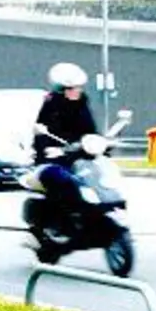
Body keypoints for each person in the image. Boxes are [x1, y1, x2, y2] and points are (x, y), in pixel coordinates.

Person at [31, 62, 97, 214]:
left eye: (79, 87)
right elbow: (41, 132)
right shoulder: (51, 105)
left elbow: (90, 130)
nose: (77, 91)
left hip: (79, 155)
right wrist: (49, 148)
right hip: (55, 159)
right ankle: (64, 218)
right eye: (72, 88)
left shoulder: (82, 104)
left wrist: (98, 143)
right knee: (62, 179)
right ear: (61, 90)